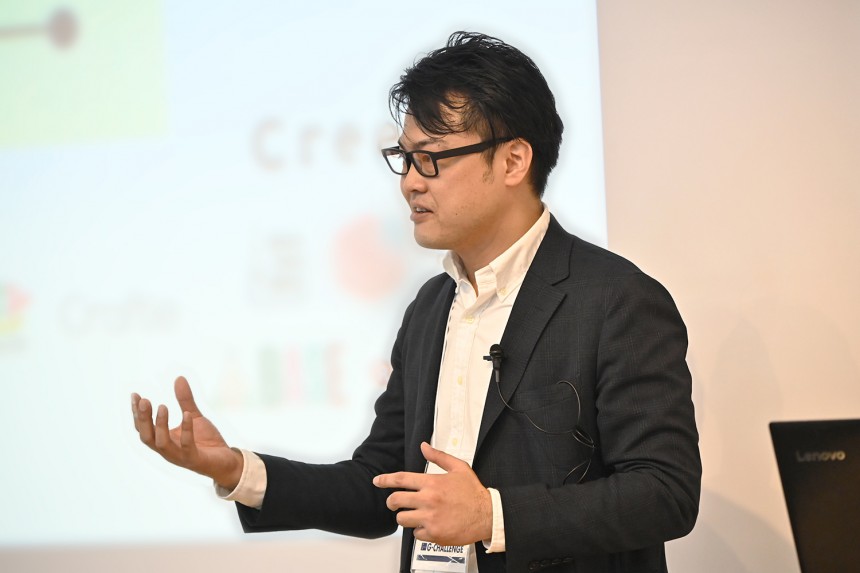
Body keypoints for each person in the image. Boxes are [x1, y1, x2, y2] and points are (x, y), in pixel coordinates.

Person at [131, 32, 701, 573]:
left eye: (431, 158)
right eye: (403, 158)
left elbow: (665, 492)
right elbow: (381, 485)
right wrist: (239, 470)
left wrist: (492, 516)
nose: (409, 182)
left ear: (513, 161)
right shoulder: (431, 307)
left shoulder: (616, 300)